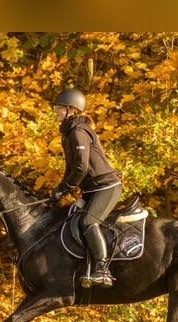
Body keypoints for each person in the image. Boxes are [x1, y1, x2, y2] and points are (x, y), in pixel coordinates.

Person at [51, 88, 123, 288]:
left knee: (89, 221)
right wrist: (60, 188)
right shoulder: (68, 134)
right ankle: (85, 267)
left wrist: (67, 186)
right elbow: (71, 167)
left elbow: (82, 167)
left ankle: (103, 269)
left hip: (106, 187)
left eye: (59, 108)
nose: (56, 111)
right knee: (72, 218)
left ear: (71, 110)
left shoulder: (79, 131)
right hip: (92, 189)